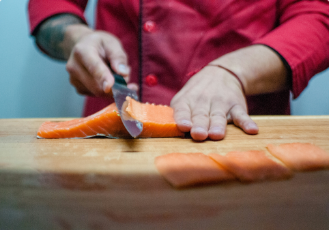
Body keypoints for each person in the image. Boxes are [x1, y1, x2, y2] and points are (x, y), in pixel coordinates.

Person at [28, 0, 329, 141]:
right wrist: (76, 39)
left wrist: (234, 71)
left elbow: (318, 14)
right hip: (114, 129)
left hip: (239, 128)